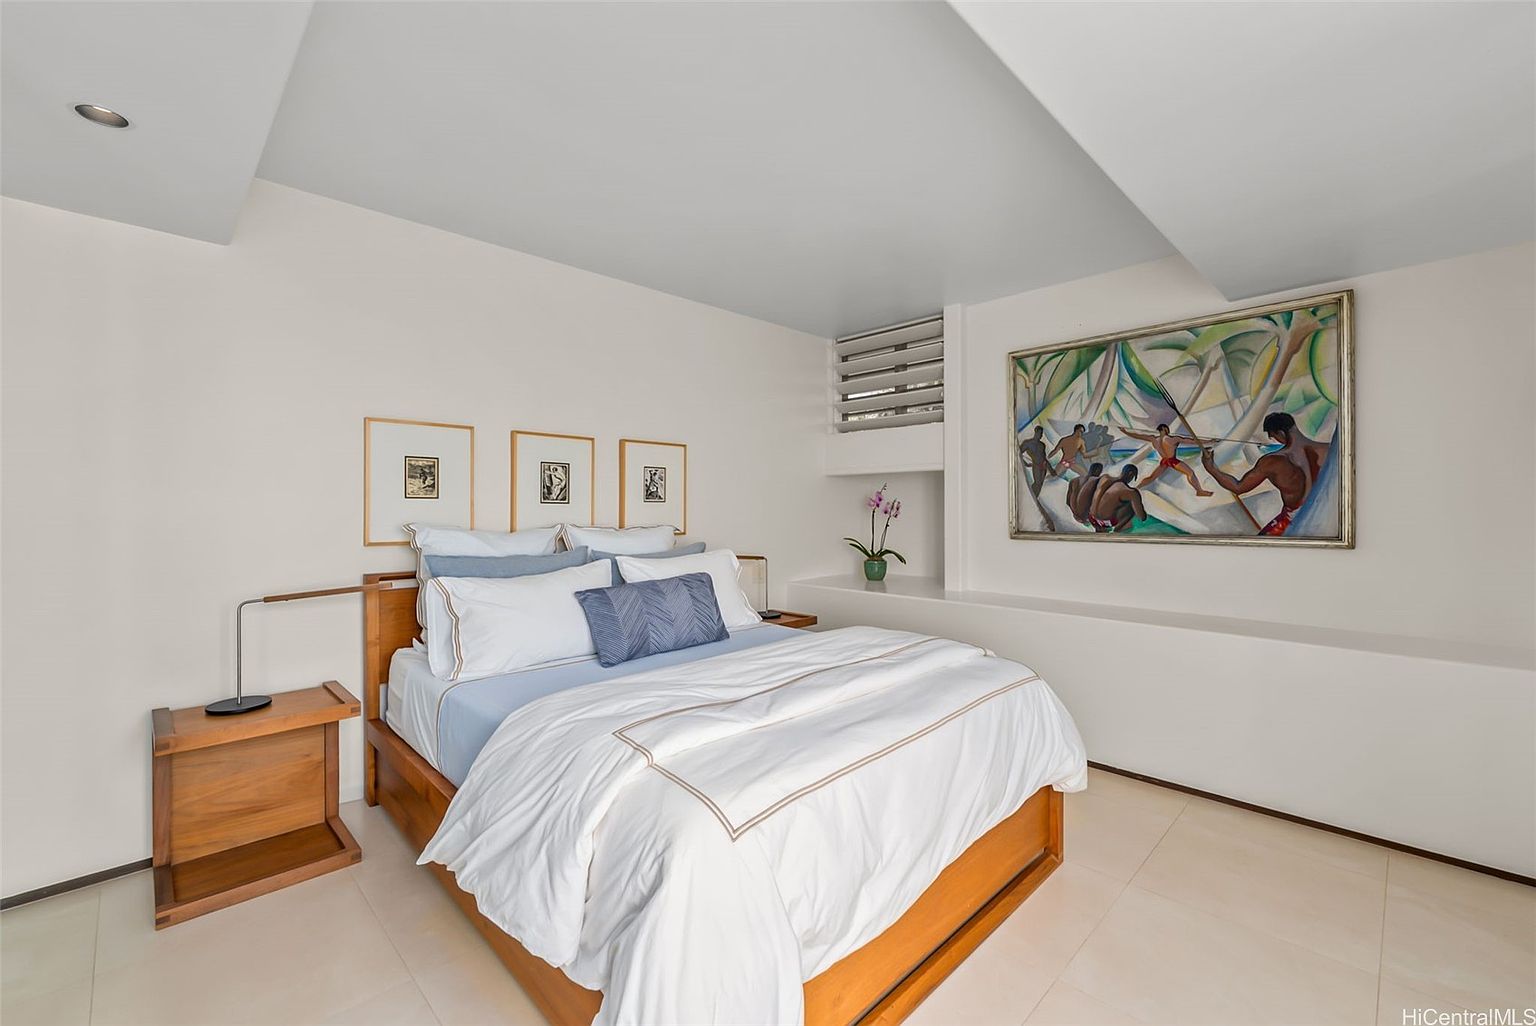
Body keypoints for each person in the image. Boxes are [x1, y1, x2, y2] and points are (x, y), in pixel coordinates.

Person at [1200, 411, 1330, 536]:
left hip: (1293, 519)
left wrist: (1211, 468)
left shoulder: (1273, 461)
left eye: (1274, 437)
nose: (1276, 441)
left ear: (1280, 433)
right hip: (1324, 514)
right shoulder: (1328, 450)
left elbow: (1238, 487)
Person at [1123, 423, 1213, 496]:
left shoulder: (1153, 439)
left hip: (1164, 461)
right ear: (1164, 429)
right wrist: (1209, 441)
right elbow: (1191, 441)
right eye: (1167, 429)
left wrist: (1125, 432)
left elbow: (1138, 436)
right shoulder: (1173, 439)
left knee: (1151, 477)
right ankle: (1199, 491)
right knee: (1190, 473)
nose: (1169, 430)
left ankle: (1137, 488)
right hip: (1172, 461)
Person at [1088, 465, 1147, 532]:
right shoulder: (1130, 491)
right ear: (1131, 474)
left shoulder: (1104, 478)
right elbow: (1141, 516)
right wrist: (1143, 516)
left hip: (1092, 519)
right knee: (1131, 505)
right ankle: (1117, 530)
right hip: (1106, 523)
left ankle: (1100, 529)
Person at [1019, 426, 1052, 496]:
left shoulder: (1042, 445)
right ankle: (1030, 496)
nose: (1041, 435)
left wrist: (1051, 469)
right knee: (1037, 483)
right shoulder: (1027, 443)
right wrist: (1025, 463)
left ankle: (1034, 498)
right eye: (1040, 433)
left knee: (1040, 485)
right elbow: (1018, 453)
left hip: (1044, 466)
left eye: (1041, 434)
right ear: (1036, 432)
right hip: (1036, 465)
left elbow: (1044, 457)